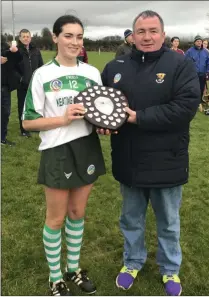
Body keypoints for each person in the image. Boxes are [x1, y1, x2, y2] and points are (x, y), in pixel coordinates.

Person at [100, 10, 200, 296]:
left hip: (166, 159)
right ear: (133, 35)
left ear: (163, 34)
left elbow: (184, 108)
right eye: (141, 31)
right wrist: (103, 125)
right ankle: (132, 261)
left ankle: (170, 268)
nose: (147, 37)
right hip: (128, 159)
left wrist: (138, 118)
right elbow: (104, 106)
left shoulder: (181, 64)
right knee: (131, 219)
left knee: (168, 222)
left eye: (153, 31)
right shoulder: (115, 66)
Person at [22, 15, 106, 296]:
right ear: (55, 37)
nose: (74, 42)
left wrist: (104, 124)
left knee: (77, 212)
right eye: (68, 35)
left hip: (87, 146)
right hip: (57, 149)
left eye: (79, 36)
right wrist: (62, 119)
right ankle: (55, 277)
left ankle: (73, 268)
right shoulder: (43, 74)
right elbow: (27, 122)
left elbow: (98, 111)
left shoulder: (93, 73)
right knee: (56, 218)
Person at [16, 28, 43, 138]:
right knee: (22, 106)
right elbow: (12, 68)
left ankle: (34, 126)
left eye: (28, 36)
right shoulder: (16, 51)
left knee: (36, 105)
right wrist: (20, 79)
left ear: (30, 38)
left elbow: (41, 65)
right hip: (22, 84)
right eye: (24, 37)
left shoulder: (36, 50)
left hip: (35, 83)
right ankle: (23, 129)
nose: (26, 38)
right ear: (20, 38)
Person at [1, 39, 22, 146]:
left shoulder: (4, 46)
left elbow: (18, 59)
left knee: (5, 113)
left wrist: (15, 51)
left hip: (4, 86)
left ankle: (2, 138)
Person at [185, 35, 209, 102]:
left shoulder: (205, 52)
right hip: (193, 74)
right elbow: (185, 62)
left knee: (201, 88)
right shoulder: (189, 51)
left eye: (200, 41)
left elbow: (208, 62)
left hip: (202, 74)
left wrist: (208, 71)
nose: (199, 42)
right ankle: (192, 100)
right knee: (193, 88)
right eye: (197, 41)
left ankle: (199, 101)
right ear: (194, 42)